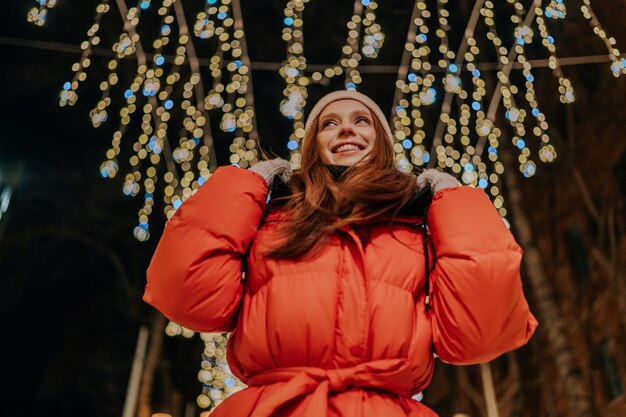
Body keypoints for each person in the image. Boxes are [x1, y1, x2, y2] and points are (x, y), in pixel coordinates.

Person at [143, 90, 538, 417]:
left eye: (361, 120)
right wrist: (247, 184)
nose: (345, 126)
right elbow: (188, 297)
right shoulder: (269, 217)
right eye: (329, 123)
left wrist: (453, 198)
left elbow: (479, 334)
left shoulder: (420, 224)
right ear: (313, 147)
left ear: (381, 142)